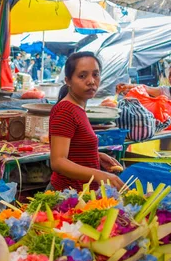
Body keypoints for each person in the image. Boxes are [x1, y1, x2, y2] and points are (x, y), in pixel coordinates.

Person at [49, 51, 125, 192]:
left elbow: (74, 148)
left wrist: (95, 156)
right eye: (82, 76)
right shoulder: (65, 110)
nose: (91, 81)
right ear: (68, 81)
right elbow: (58, 161)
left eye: (95, 74)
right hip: (66, 195)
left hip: (81, 193)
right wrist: (99, 175)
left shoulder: (78, 107)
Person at [117, 61, 171, 125]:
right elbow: (145, 88)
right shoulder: (164, 91)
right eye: (170, 74)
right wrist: (128, 86)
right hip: (169, 133)